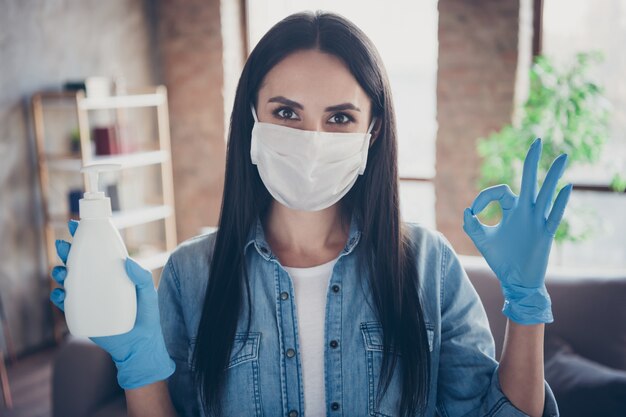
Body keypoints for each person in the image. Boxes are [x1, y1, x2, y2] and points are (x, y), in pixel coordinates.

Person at [50, 10, 571, 417]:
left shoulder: (428, 266)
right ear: (252, 120)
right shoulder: (192, 276)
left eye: (340, 117)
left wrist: (526, 304)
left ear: (373, 132)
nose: (312, 141)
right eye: (286, 113)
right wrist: (137, 366)